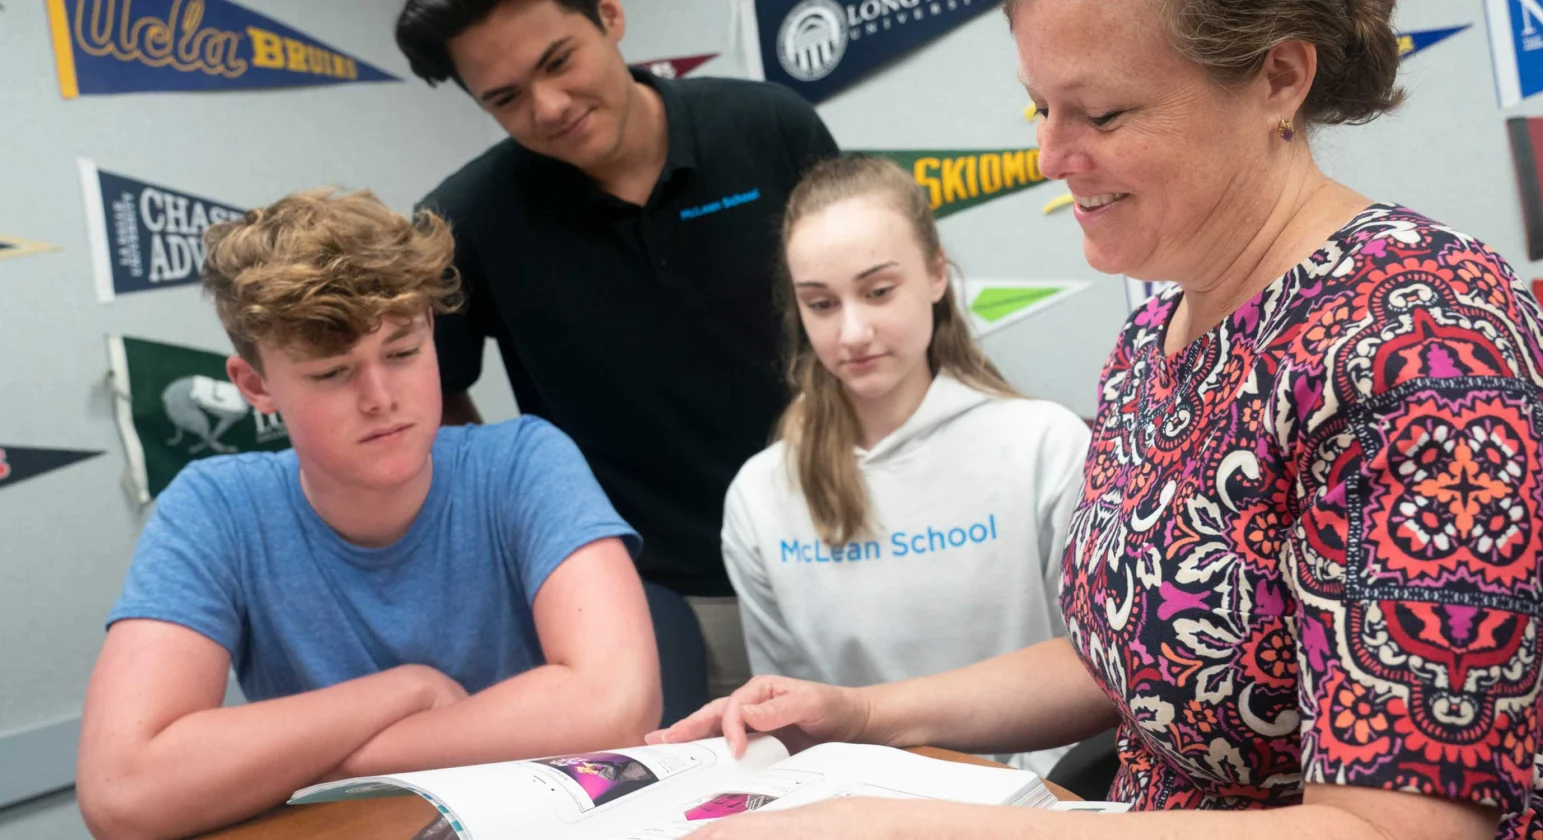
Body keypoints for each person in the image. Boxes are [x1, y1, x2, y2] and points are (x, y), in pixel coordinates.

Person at [648, 0, 1543, 837]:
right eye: (1039, 109)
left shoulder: (1429, 343)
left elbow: (1392, 825)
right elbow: (1143, 650)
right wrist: (869, 714)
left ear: (1279, 78)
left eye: (1102, 116)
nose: (1052, 155)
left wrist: (907, 824)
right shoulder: (1163, 324)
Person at [76, 189, 660, 840]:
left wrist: (320, 763)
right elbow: (121, 793)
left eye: (403, 353)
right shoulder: (214, 507)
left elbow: (617, 707)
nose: (381, 398)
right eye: (332, 373)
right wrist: (404, 690)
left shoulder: (524, 460)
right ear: (256, 386)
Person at [395, 0, 841, 700]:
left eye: (558, 61)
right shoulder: (465, 223)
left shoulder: (768, 127)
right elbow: (433, 397)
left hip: (853, 543)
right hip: (663, 600)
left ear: (609, 15)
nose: (549, 106)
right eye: (506, 98)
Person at [720, 156, 1090, 776]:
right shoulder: (760, 495)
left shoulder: (1042, 447)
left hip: (1042, 805)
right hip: (853, 808)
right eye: (821, 304)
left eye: (878, 291)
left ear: (937, 274)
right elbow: (785, 724)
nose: (854, 331)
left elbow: (1104, 674)